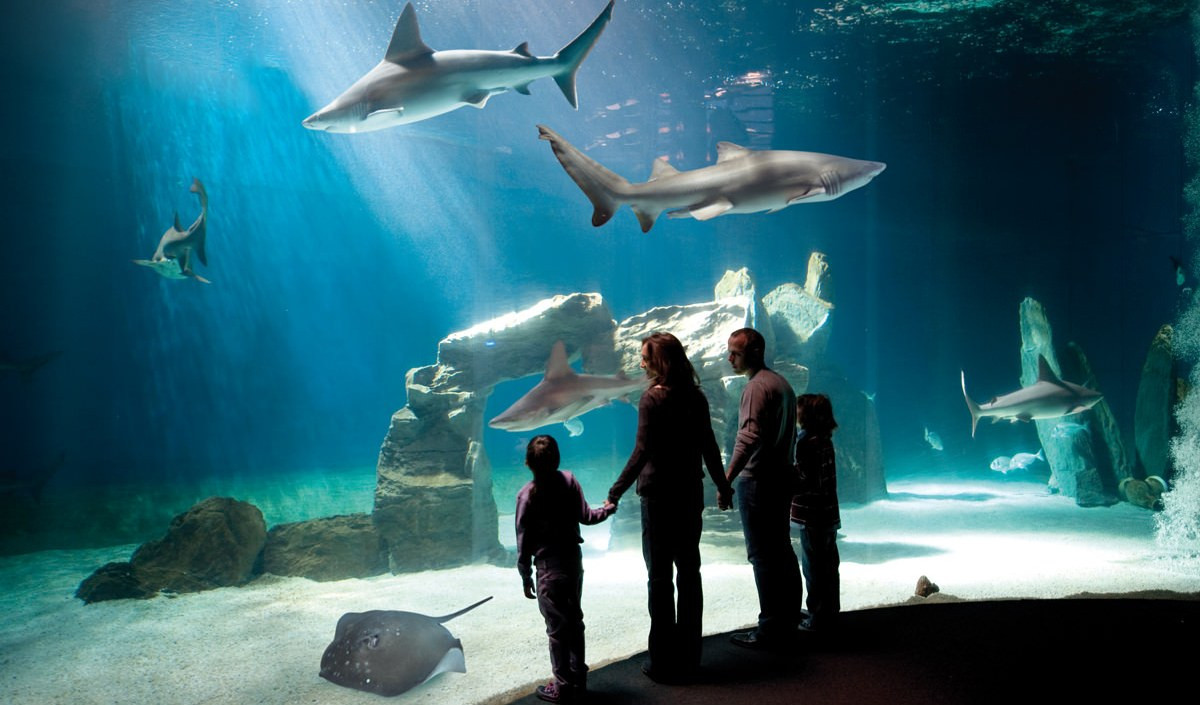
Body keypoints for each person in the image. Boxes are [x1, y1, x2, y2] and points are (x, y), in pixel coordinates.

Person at [606, 332, 733, 683]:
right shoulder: (697, 396)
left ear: (658, 361)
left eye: (644, 357)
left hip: (659, 498)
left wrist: (616, 490)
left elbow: (642, 450)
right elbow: (709, 445)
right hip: (690, 494)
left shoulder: (653, 399)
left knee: (660, 579)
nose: (640, 362)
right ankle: (691, 656)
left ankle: (662, 660)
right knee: (690, 573)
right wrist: (722, 487)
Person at [516, 435, 615, 703]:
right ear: (558, 460)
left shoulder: (525, 496)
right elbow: (587, 516)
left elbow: (523, 542)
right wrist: (607, 509)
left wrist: (525, 575)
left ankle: (562, 686)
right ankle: (578, 680)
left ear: (527, 463)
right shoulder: (569, 481)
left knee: (557, 631)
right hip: (572, 564)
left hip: (548, 570)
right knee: (575, 622)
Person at [725, 327, 803, 649]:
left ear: (754, 352)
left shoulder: (756, 388)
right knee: (782, 549)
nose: (729, 359)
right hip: (782, 476)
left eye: (735, 353)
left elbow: (749, 437)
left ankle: (770, 626)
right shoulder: (782, 384)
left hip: (759, 480)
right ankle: (790, 617)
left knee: (762, 556)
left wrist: (726, 478)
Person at [792, 393, 842, 633]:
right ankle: (830, 612)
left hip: (811, 516)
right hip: (829, 515)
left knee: (813, 567)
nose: (796, 413)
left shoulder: (805, 442)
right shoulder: (826, 440)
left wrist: (784, 478)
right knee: (830, 566)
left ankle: (817, 618)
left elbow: (806, 480)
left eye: (799, 410)